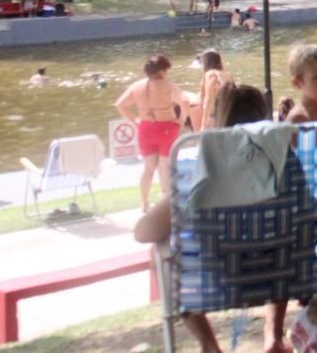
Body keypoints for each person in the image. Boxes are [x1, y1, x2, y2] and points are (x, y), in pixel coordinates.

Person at [134, 84, 283, 353]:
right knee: (287, 243)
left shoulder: (200, 172)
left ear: (217, 122)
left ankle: (209, 345)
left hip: (213, 278)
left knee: (158, 253)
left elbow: (143, 231)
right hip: (278, 274)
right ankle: (274, 335)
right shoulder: (284, 171)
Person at [115, 54, 190, 212]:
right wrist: (181, 120)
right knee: (165, 166)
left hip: (145, 128)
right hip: (167, 128)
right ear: (162, 71)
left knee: (148, 168)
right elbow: (184, 102)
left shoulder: (137, 86)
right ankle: (167, 203)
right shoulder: (168, 86)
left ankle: (144, 202)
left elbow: (120, 105)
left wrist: (133, 121)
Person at [197, 49, 236, 130]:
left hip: (216, 114)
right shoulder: (228, 74)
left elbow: (209, 98)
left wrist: (203, 123)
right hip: (229, 111)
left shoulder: (210, 74)